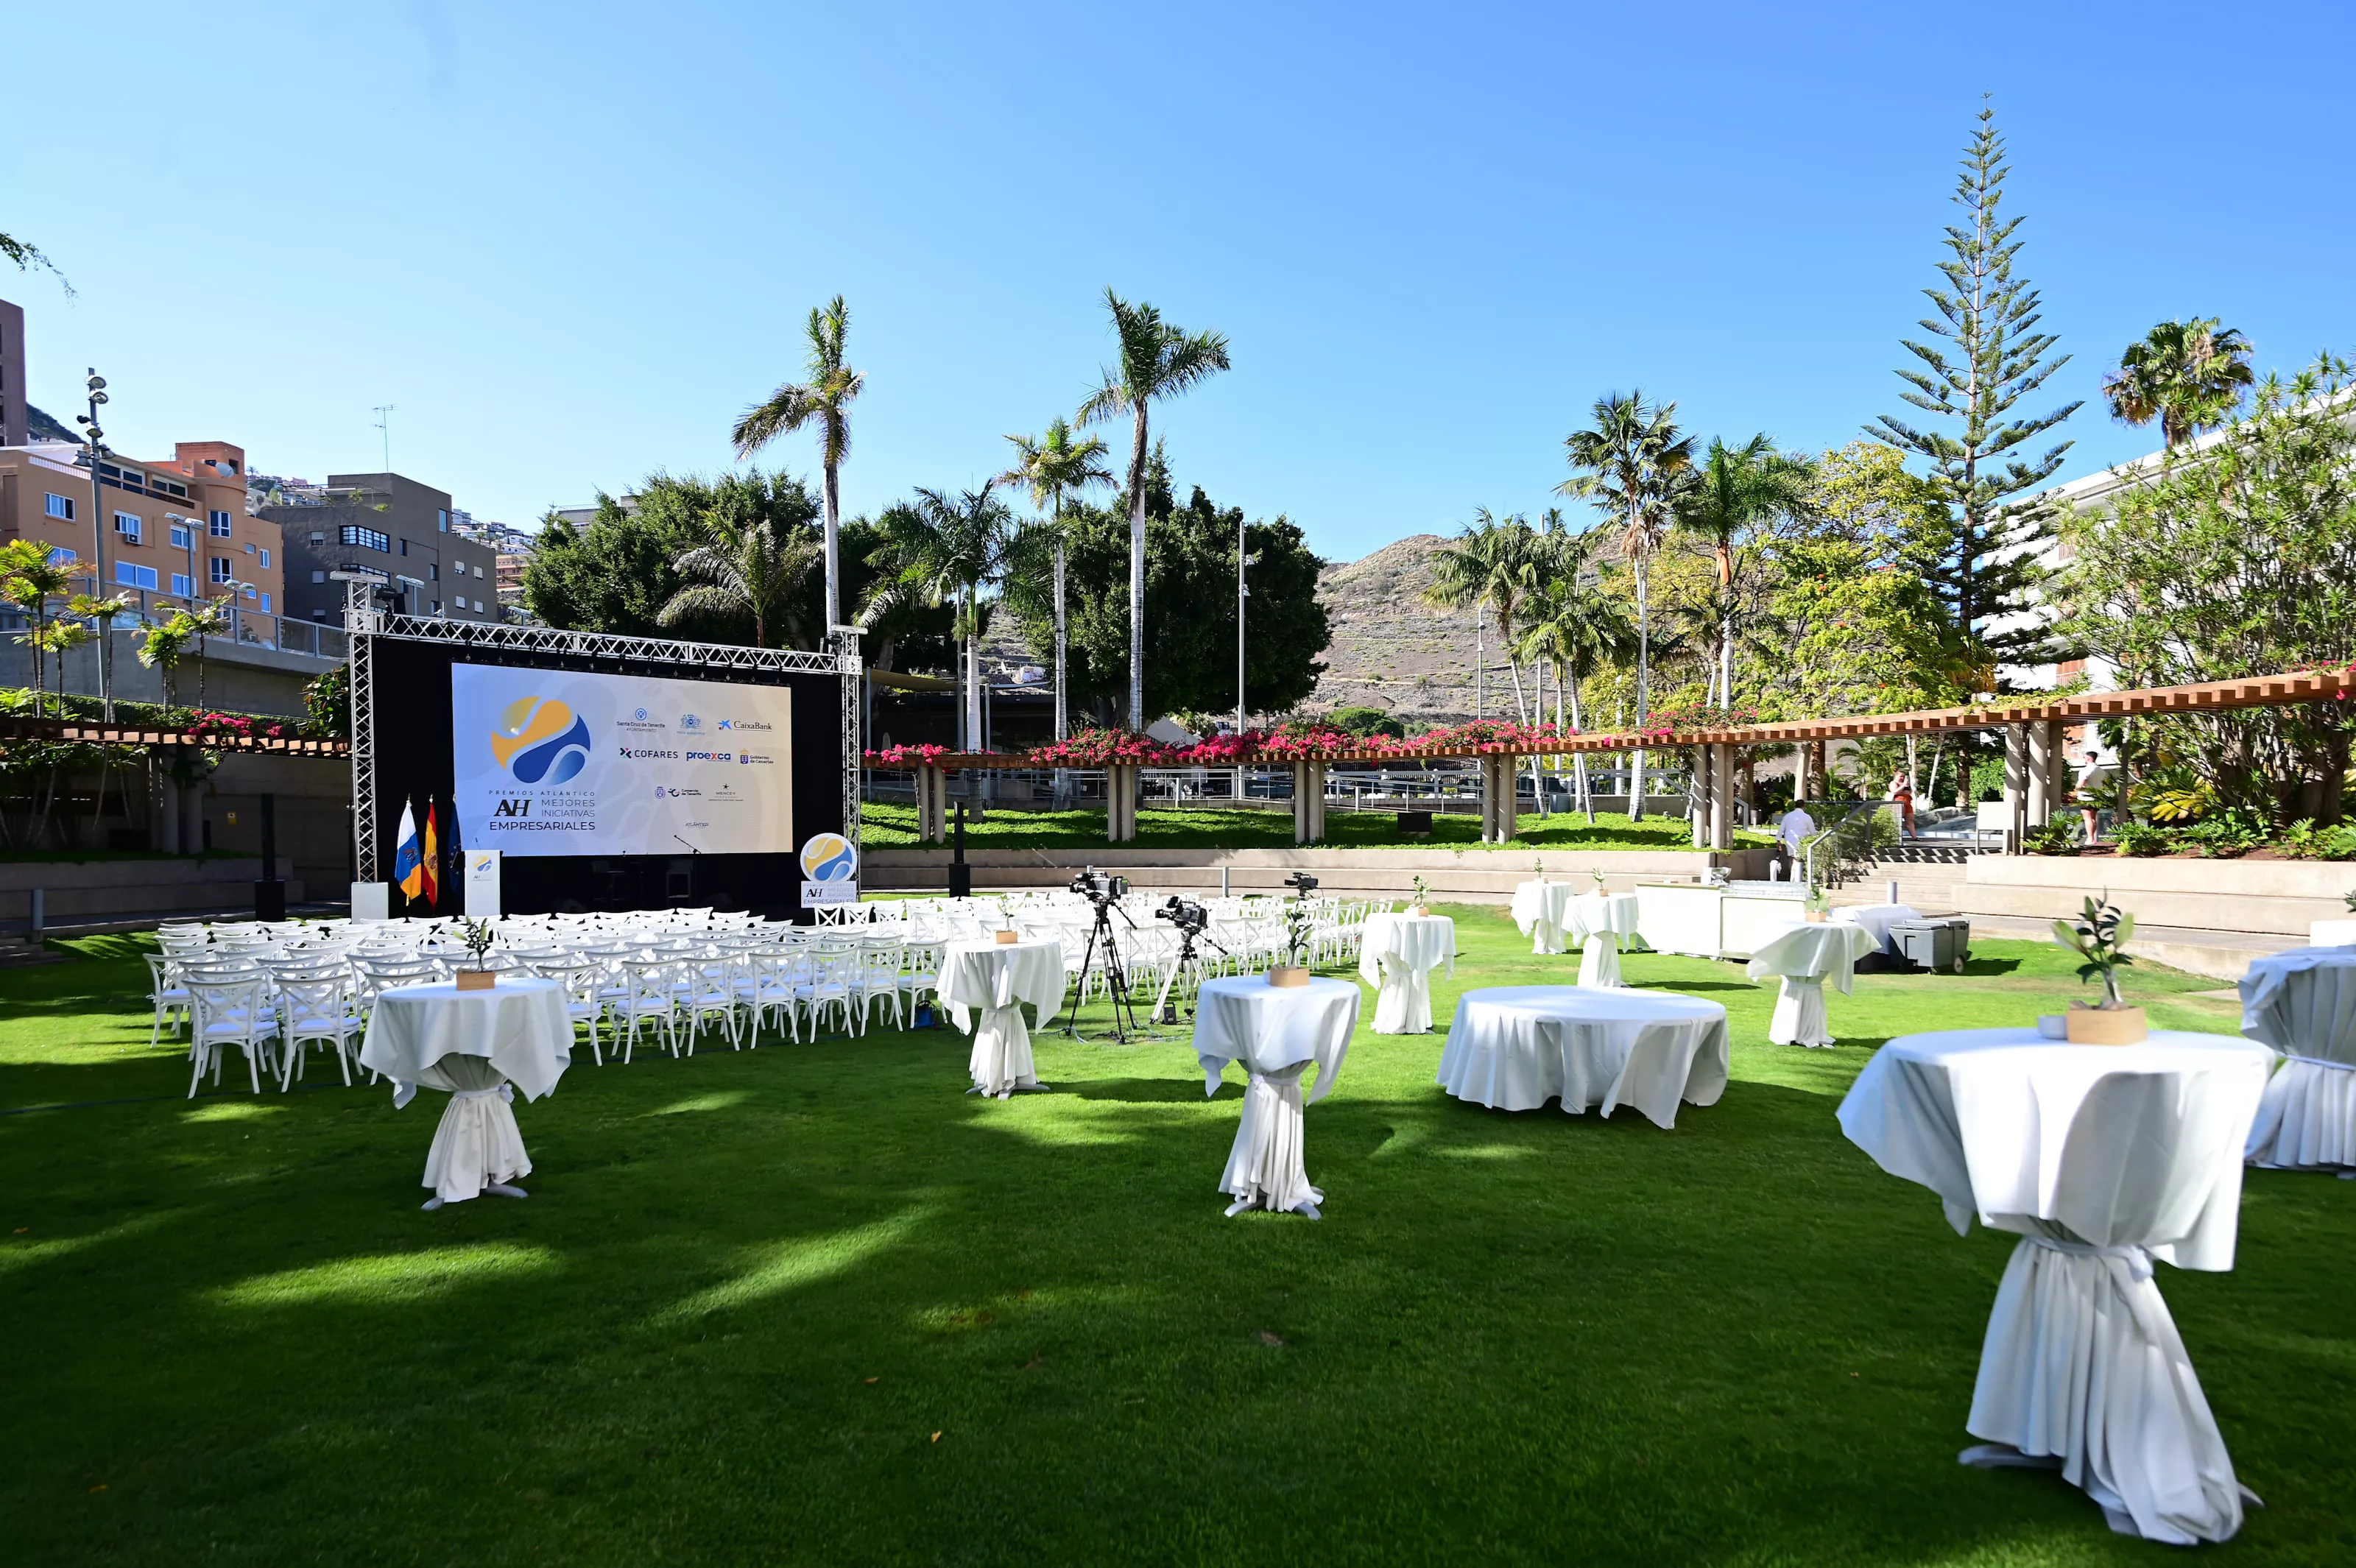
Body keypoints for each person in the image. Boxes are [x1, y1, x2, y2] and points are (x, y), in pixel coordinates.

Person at [2073, 748, 2109, 844]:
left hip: (2086, 797)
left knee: (2087, 818)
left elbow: (2081, 783)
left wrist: (2076, 788)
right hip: (2096, 797)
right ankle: (2093, 838)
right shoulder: (2101, 771)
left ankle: (2090, 838)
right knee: (2093, 818)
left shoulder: (2085, 770)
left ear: (2088, 758)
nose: (2084, 759)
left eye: (2084, 757)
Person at [1777, 802, 1817, 880]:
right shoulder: (1807, 817)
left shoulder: (1788, 816)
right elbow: (1813, 832)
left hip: (1789, 839)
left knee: (1791, 857)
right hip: (1801, 839)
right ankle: (1797, 877)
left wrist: (1778, 840)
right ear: (1804, 807)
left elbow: (1781, 829)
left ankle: (1792, 875)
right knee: (1799, 858)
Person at [1888, 768, 1915, 840]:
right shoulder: (1894, 783)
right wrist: (1903, 785)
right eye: (1901, 776)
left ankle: (1914, 837)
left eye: (1903, 776)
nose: (1902, 778)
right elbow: (1895, 791)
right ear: (1896, 776)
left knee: (1910, 819)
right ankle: (1897, 838)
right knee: (1898, 820)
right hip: (1899, 802)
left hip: (1908, 801)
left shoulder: (1905, 784)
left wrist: (1906, 786)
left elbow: (1909, 792)